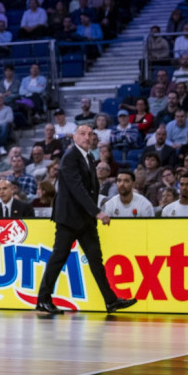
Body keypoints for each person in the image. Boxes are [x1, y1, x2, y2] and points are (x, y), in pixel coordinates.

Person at [35, 125, 137, 315]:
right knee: (59, 257)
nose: (86, 137)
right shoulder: (70, 157)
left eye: (90, 134)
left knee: (95, 259)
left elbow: (91, 189)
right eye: (82, 133)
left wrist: (92, 213)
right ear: (74, 137)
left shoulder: (88, 157)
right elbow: (77, 188)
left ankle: (111, 301)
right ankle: (43, 299)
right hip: (69, 218)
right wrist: (96, 211)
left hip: (84, 219)